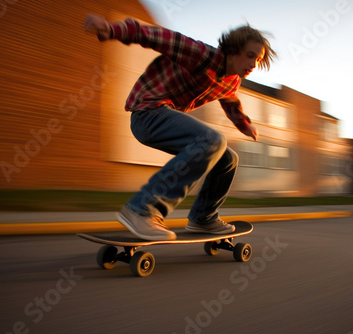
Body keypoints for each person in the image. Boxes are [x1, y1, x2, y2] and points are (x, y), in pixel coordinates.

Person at [84, 14, 276, 241]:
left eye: (258, 60)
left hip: (165, 119)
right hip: (147, 113)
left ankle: (204, 218)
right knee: (211, 140)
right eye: (250, 56)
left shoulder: (232, 80)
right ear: (233, 49)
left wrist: (244, 124)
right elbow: (160, 37)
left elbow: (230, 100)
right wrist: (112, 29)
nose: (254, 65)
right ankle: (142, 209)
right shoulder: (202, 55)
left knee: (227, 158)